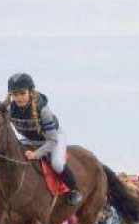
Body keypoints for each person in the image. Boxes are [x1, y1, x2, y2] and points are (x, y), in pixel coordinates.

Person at [5, 73, 82, 206]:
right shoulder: (10, 109)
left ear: (30, 92)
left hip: (53, 138)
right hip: (29, 139)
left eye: (22, 93)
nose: (18, 98)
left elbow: (52, 141)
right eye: (15, 94)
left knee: (57, 164)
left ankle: (74, 190)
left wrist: (36, 154)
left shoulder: (43, 110)